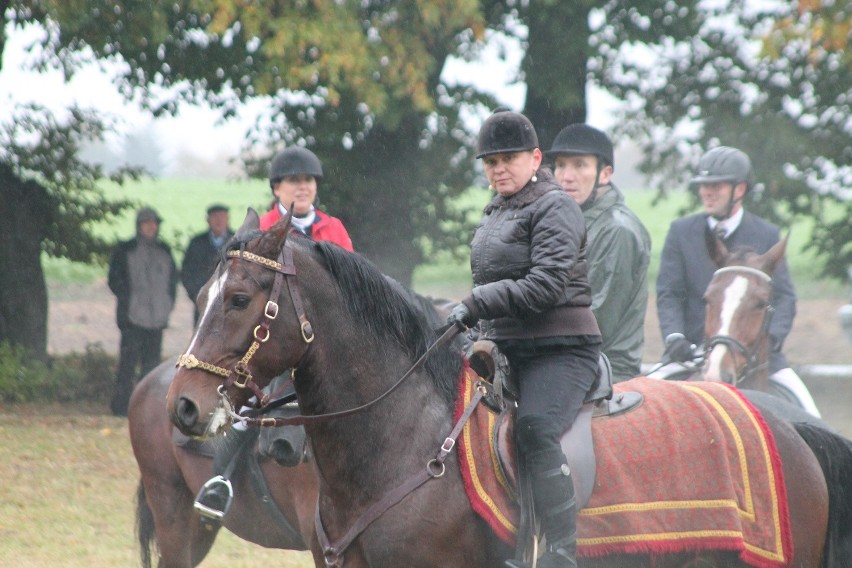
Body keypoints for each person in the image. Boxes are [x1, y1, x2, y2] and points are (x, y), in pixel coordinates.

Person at [447, 109, 601, 568]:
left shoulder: (557, 206)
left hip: (560, 348)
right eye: (490, 162)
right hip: (507, 346)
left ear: (535, 158)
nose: (498, 169)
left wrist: (476, 303)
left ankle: (559, 551)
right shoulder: (497, 209)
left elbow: (545, 286)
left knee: (534, 428)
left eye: (508, 158)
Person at [656, 146, 821, 417]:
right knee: (643, 404)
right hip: (692, 351)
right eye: (703, 186)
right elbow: (669, 294)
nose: (706, 192)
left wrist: (771, 340)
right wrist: (675, 338)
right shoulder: (681, 232)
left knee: (812, 416)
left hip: (757, 356)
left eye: (715, 186)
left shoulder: (766, 234)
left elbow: (784, 298)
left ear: (740, 190)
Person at [546, 124, 651, 381]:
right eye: (560, 165)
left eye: (579, 165)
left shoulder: (617, 231)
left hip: (606, 370)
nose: (566, 176)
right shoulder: (566, 222)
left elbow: (594, 321)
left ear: (604, 174)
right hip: (566, 359)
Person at [108, 207, 177, 416]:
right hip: (132, 318)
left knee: (152, 366)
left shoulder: (165, 250)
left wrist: (166, 304)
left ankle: (146, 408)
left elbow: (173, 281)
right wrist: (129, 299)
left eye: (154, 223)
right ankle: (121, 407)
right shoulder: (124, 250)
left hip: (157, 319)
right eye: (146, 222)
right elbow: (114, 280)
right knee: (127, 366)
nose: (151, 226)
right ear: (139, 225)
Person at [259, 146, 353, 251]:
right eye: (294, 180)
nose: (303, 187)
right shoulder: (261, 228)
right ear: (277, 188)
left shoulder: (334, 227)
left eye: (308, 180)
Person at [180, 204, 234, 325]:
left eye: (222, 217)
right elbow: (186, 272)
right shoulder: (197, 243)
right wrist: (196, 295)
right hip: (203, 305)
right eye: (215, 217)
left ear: (228, 219)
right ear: (208, 220)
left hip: (230, 308)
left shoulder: (237, 242)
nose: (219, 221)